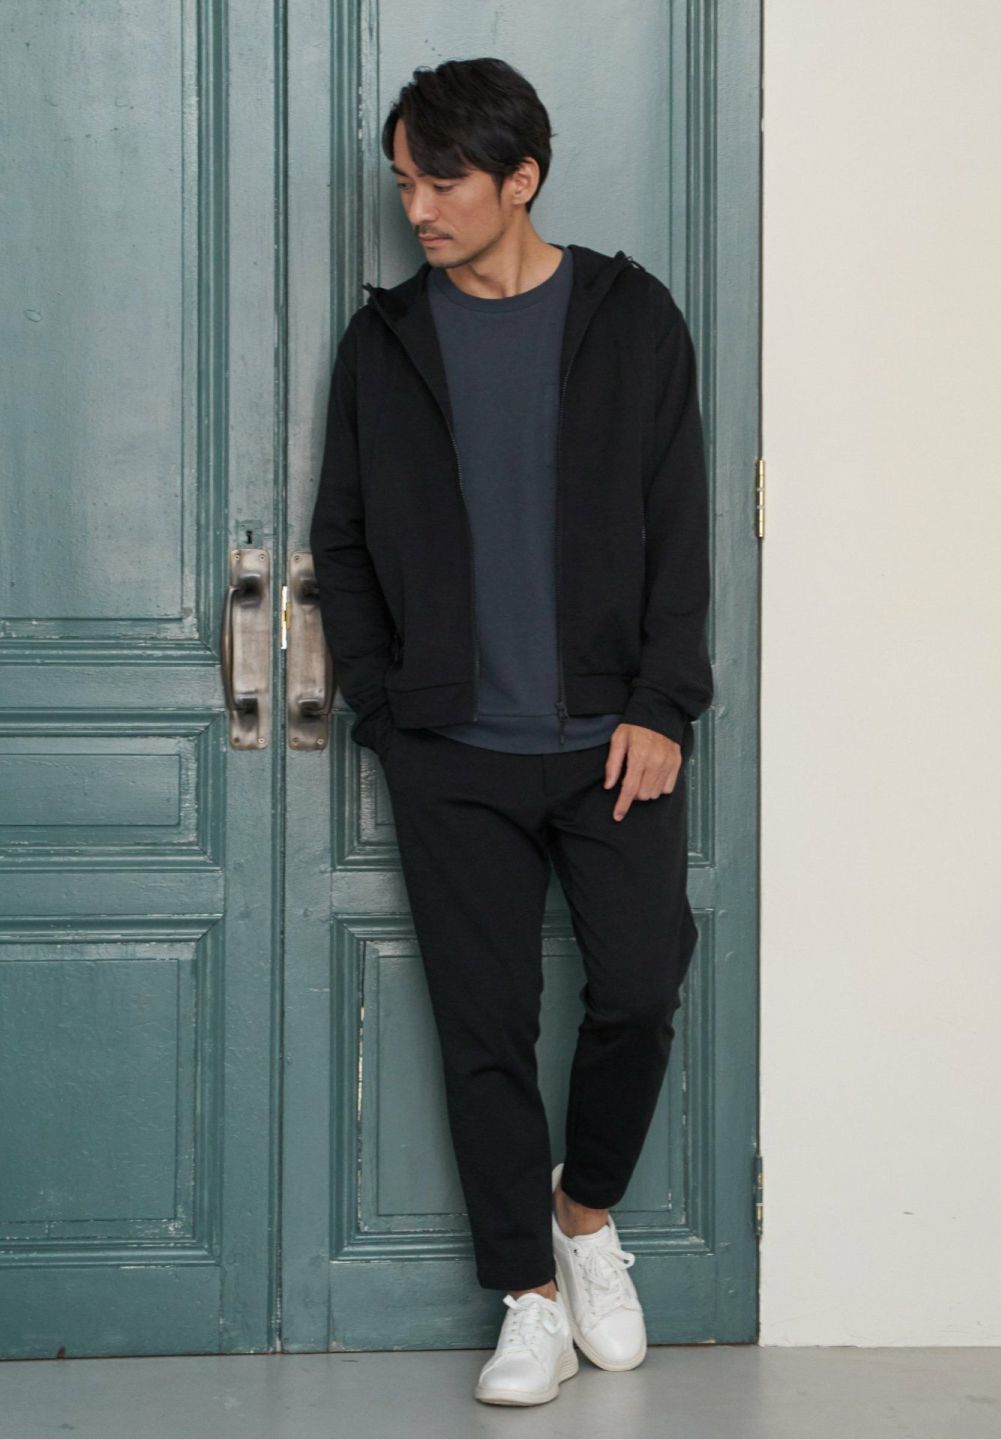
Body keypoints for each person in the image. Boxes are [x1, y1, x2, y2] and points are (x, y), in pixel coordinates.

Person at [310, 56, 712, 1408]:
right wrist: (387, 706)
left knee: (640, 986)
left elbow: (680, 524)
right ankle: (527, 1297)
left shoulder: (630, 317)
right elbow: (341, 540)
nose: (416, 209)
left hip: (614, 742)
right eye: (403, 183)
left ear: (520, 179)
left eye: (442, 182)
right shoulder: (385, 344)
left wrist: (663, 703)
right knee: (482, 1029)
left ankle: (584, 1216)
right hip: (454, 750)